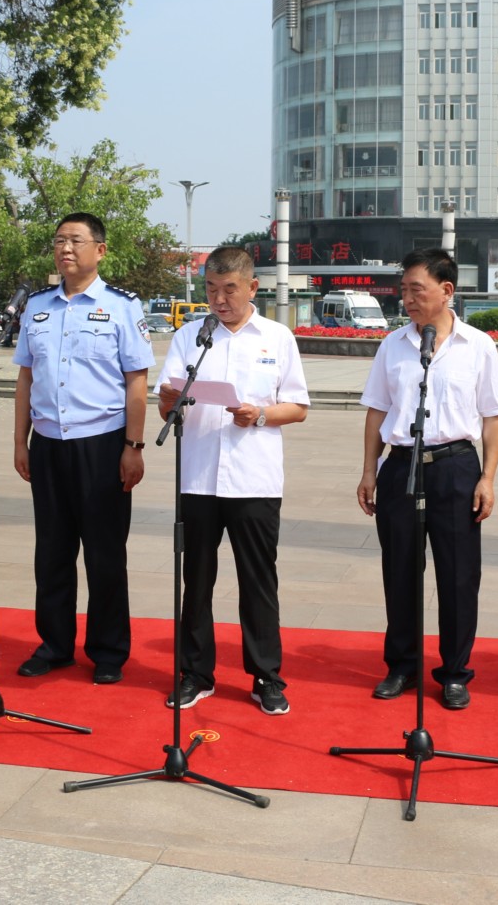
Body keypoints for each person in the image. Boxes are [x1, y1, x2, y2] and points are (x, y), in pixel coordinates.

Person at [155, 246, 310, 715]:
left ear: (252, 287)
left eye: (229, 290)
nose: (219, 300)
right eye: (211, 290)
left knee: (258, 581)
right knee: (196, 579)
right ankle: (195, 674)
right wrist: (170, 400)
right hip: (198, 477)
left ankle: (266, 677)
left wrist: (259, 414)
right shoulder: (191, 336)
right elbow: (166, 402)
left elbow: (298, 407)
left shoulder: (277, 338)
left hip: (254, 480)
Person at [356, 248, 498, 710]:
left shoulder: (478, 345)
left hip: (456, 467)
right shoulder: (393, 345)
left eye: (416, 290)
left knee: (459, 575)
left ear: (446, 291)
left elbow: (493, 418)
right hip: (401, 464)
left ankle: (455, 673)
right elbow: (376, 411)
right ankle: (402, 666)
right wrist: (369, 470)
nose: (407, 299)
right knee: (400, 570)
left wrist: (488, 478)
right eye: (403, 290)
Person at [12, 212, 153, 685]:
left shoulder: (121, 306)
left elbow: (137, 380)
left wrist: (133, 446)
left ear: (100, 250)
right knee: (51, 551)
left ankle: (108, 651)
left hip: (102, 444)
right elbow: (26, 377)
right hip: (49, 442)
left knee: (104, 553)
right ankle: (54, 645)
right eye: (59, 241)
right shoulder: (38, 306)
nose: (65, 249)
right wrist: (20, 441)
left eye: (75, 240)